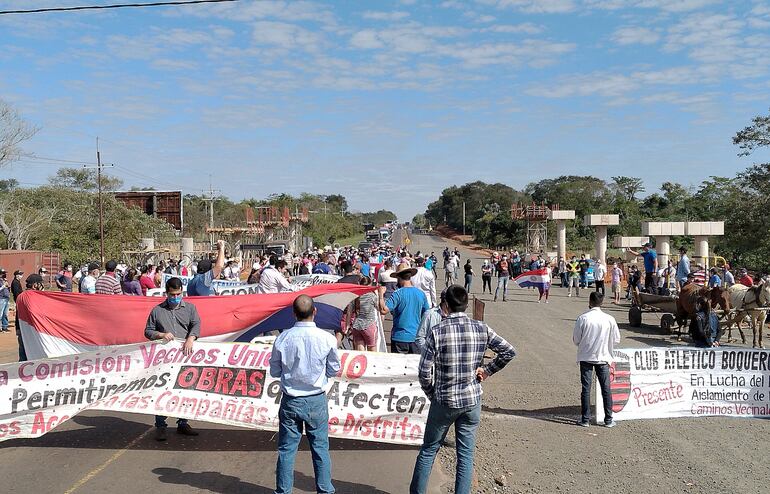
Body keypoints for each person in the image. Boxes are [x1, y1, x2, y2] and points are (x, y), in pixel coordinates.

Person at [410, 285, 516, 494]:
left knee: (429, 450)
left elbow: (423, 372)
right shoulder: (481, 328)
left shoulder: (437, 332)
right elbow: (508, 351)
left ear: (446, 306)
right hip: (471, 399)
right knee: (466, 455)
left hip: (445, 400)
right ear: (466, 305)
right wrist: (487, 371)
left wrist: (433, 393)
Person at [270, 295, 340, 494]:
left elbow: (275, 371)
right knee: (320, 449)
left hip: (291, 400)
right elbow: (333, 369)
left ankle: (283, 491)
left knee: (286, 449)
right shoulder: (327, 339)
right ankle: (325, 490)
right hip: (315, 400)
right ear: (315, 311)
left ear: (294, 314)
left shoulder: (282, 338)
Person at [144, 277, 201, 441]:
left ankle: (183, 423)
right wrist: (161, 334)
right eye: (172, 294)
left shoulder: (190, 308)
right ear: (166, 293)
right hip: (164, 360)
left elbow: (196, 325)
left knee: (184, 391)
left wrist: (191, 338)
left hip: (184, 357)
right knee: (162, 391)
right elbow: (148, 331)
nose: (175, 297)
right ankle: (161, 426)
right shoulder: (157, 311)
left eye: (178, 294)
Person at [573, 292, 620, 428]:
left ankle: (585, 419)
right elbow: (616, 339)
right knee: (606, 388)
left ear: (590, 301)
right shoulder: (609, 319)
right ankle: (608, 419)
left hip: (586, 357)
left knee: (586, 389)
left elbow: (576, 340)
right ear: (602, 302)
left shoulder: (583, 318)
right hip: (603, 357)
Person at [378, 263, 430, 354]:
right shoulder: (421, 294)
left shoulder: (397, 293)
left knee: (399, 367)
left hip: (399, 337)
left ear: (399, 277)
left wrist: (381, 295)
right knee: (414, 366)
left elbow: (383, 310)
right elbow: (426, 314)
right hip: (416, 336)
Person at [351, 276, 379, 351]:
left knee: (360, 350)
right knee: (372, 349)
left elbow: (350, 311)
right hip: (369, 324)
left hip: (357, 325)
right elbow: (379, 308)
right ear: (369, 285)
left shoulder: (355, 296)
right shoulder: (372, 296)